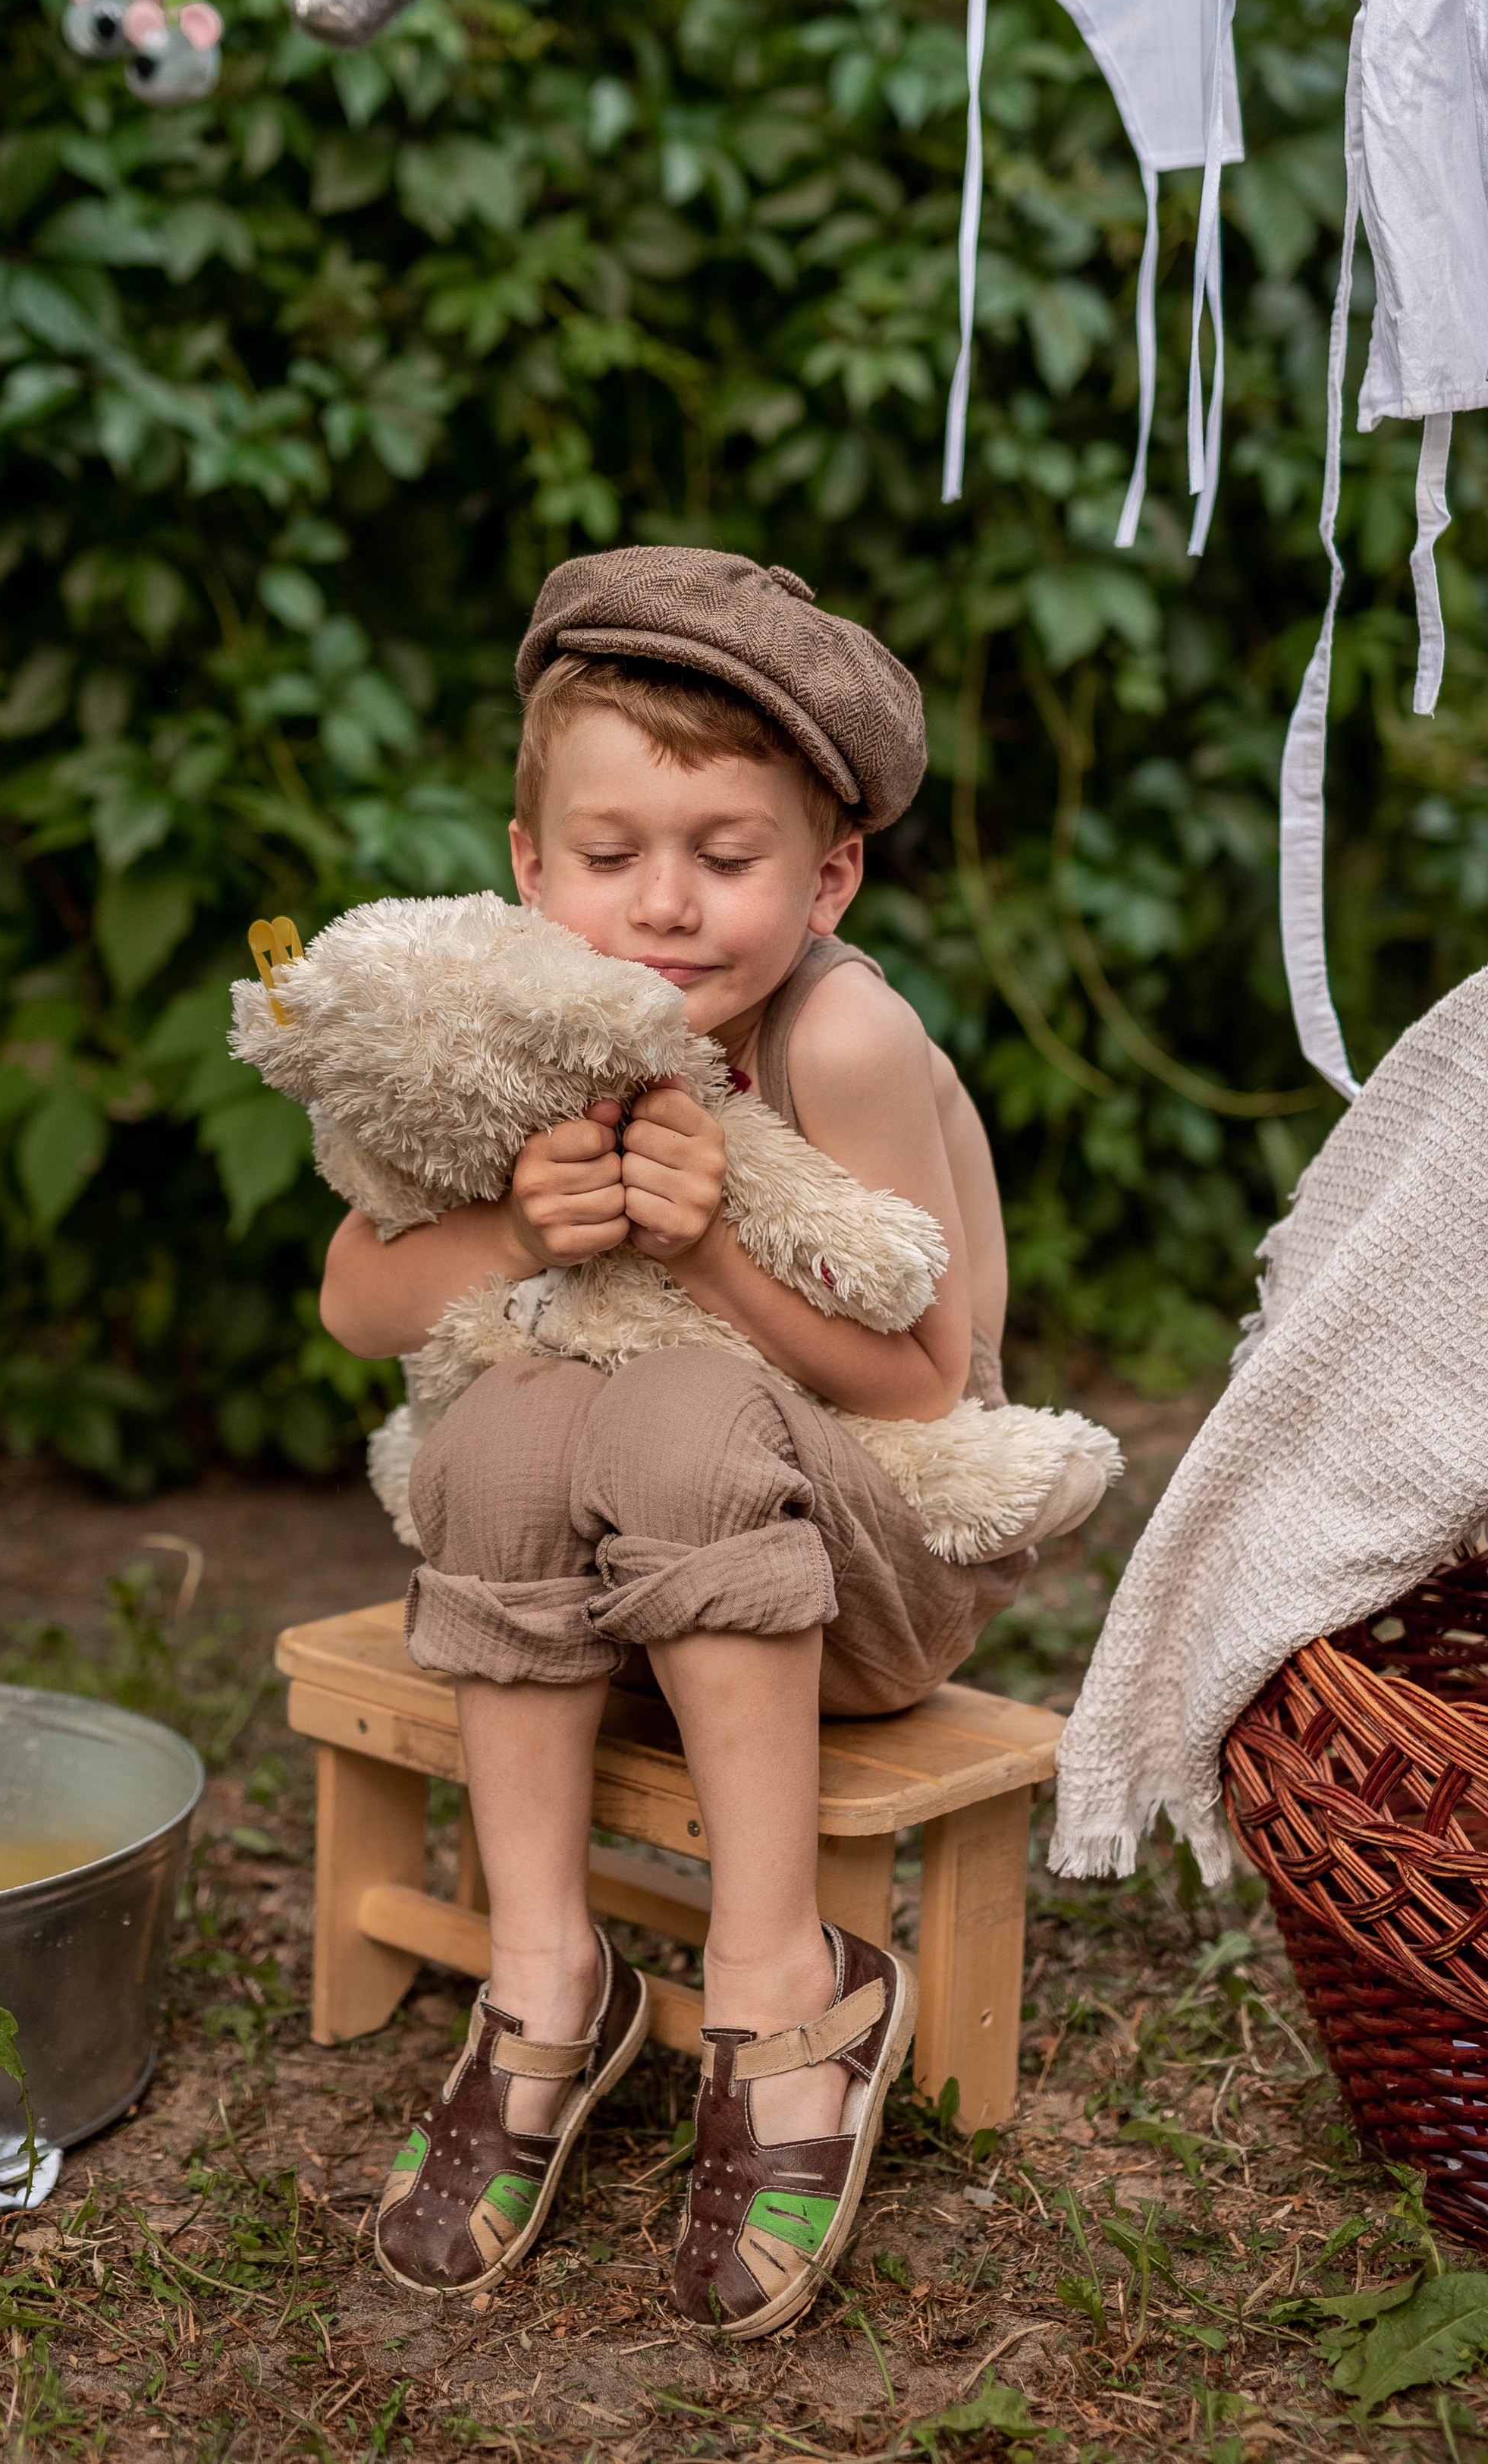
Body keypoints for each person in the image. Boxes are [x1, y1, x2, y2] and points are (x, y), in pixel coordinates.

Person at [319, 550, 1023, 2337]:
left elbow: (928, 1388)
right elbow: (355, 1302)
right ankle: (551, 1977)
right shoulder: (525, 1027)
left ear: (827, 870)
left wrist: (709, 1241)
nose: (666, 908)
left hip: (875, 1579)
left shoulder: (837, 1030)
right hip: (615, 1601)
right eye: (613, 855)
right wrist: (506, 1235)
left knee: (675, 1398)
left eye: (727, 858)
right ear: (528, 863)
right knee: (499, 1424)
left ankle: (781, 1981)